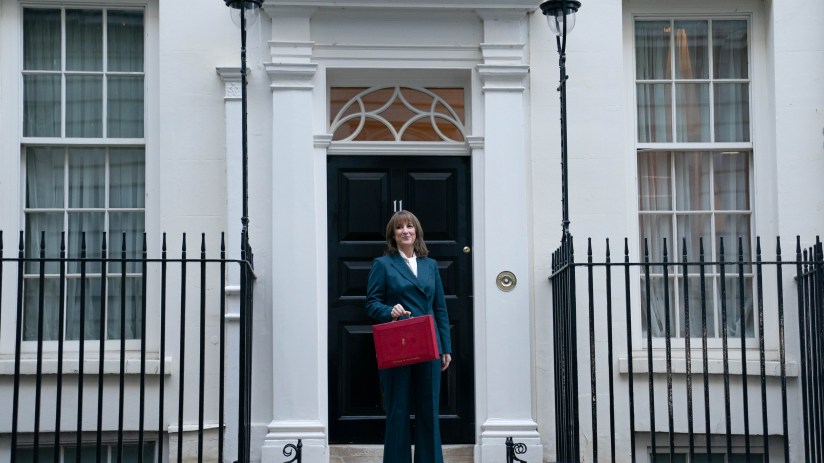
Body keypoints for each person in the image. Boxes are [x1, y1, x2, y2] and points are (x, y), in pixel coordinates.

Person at [365, 210, 452, 463]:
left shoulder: (430, 265)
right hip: (398, 344)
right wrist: (388, 311)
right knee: (398, 410)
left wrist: (445, 347)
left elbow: (440, 308)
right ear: (393, 234)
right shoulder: (382, 265)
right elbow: (371, 303)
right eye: (399, 227)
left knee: (429, 410)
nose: (405, 231)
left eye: (410, 226)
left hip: (429, 343)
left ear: (417, 232)